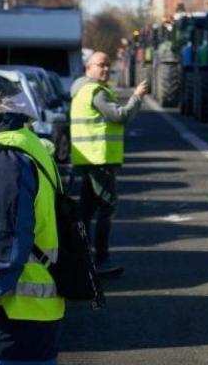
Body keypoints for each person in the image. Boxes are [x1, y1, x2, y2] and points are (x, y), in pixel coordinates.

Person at [0, 76, 65, 364]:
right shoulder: (26, 143)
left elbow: (2, 233)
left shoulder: (1, 154)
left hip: (1, 319)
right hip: (26, 315)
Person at [70, 51, 147, 276]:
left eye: (107, 65)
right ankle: (101, 259)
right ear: (88, 68)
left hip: (90, 158)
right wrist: (137, 96)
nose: (105, 69)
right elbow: (119, 116)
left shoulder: (82, 90)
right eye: (100, 65)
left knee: (86, 210)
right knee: (107, 206)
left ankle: (81, 257)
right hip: (99, 158)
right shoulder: (95, 92)